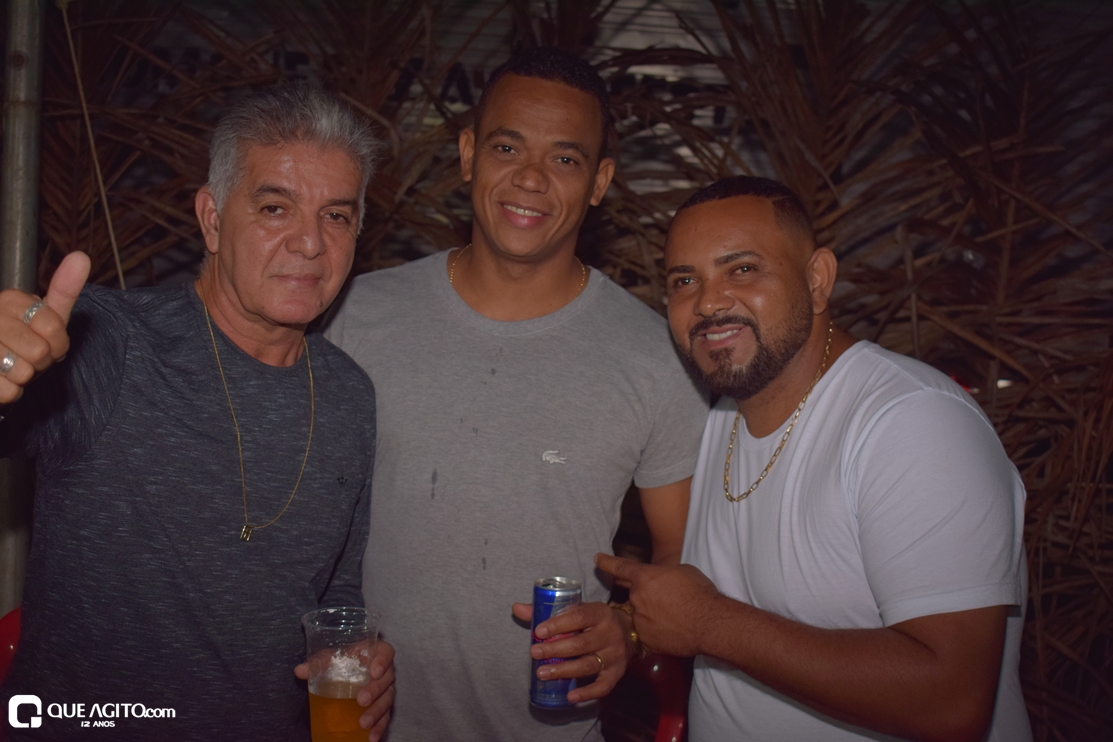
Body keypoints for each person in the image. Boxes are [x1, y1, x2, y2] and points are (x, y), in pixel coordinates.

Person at [325, 47, 707, 741]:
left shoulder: (656, 358)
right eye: (507, 147)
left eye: (564, 158)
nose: (530, 177)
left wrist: (627, 626)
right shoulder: (354, 318)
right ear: (468, 154)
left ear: (599, 182)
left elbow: (680, 552)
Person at [0, 86, 395, 741]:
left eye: (335, 216)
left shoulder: (350, 394)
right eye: (275, 208)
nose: (309, 243)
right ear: (212, 219)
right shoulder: (108, 341)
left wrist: (354, 654)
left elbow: (335, 595)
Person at [594, 175, 1031, 741]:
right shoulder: (721, 413)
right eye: (685, 280)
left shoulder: (911, 423)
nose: (707, 302)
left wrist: (710, 625)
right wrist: (625, 629)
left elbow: (952, 702)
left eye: (741, 269)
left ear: (817, 279)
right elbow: (688, 597)